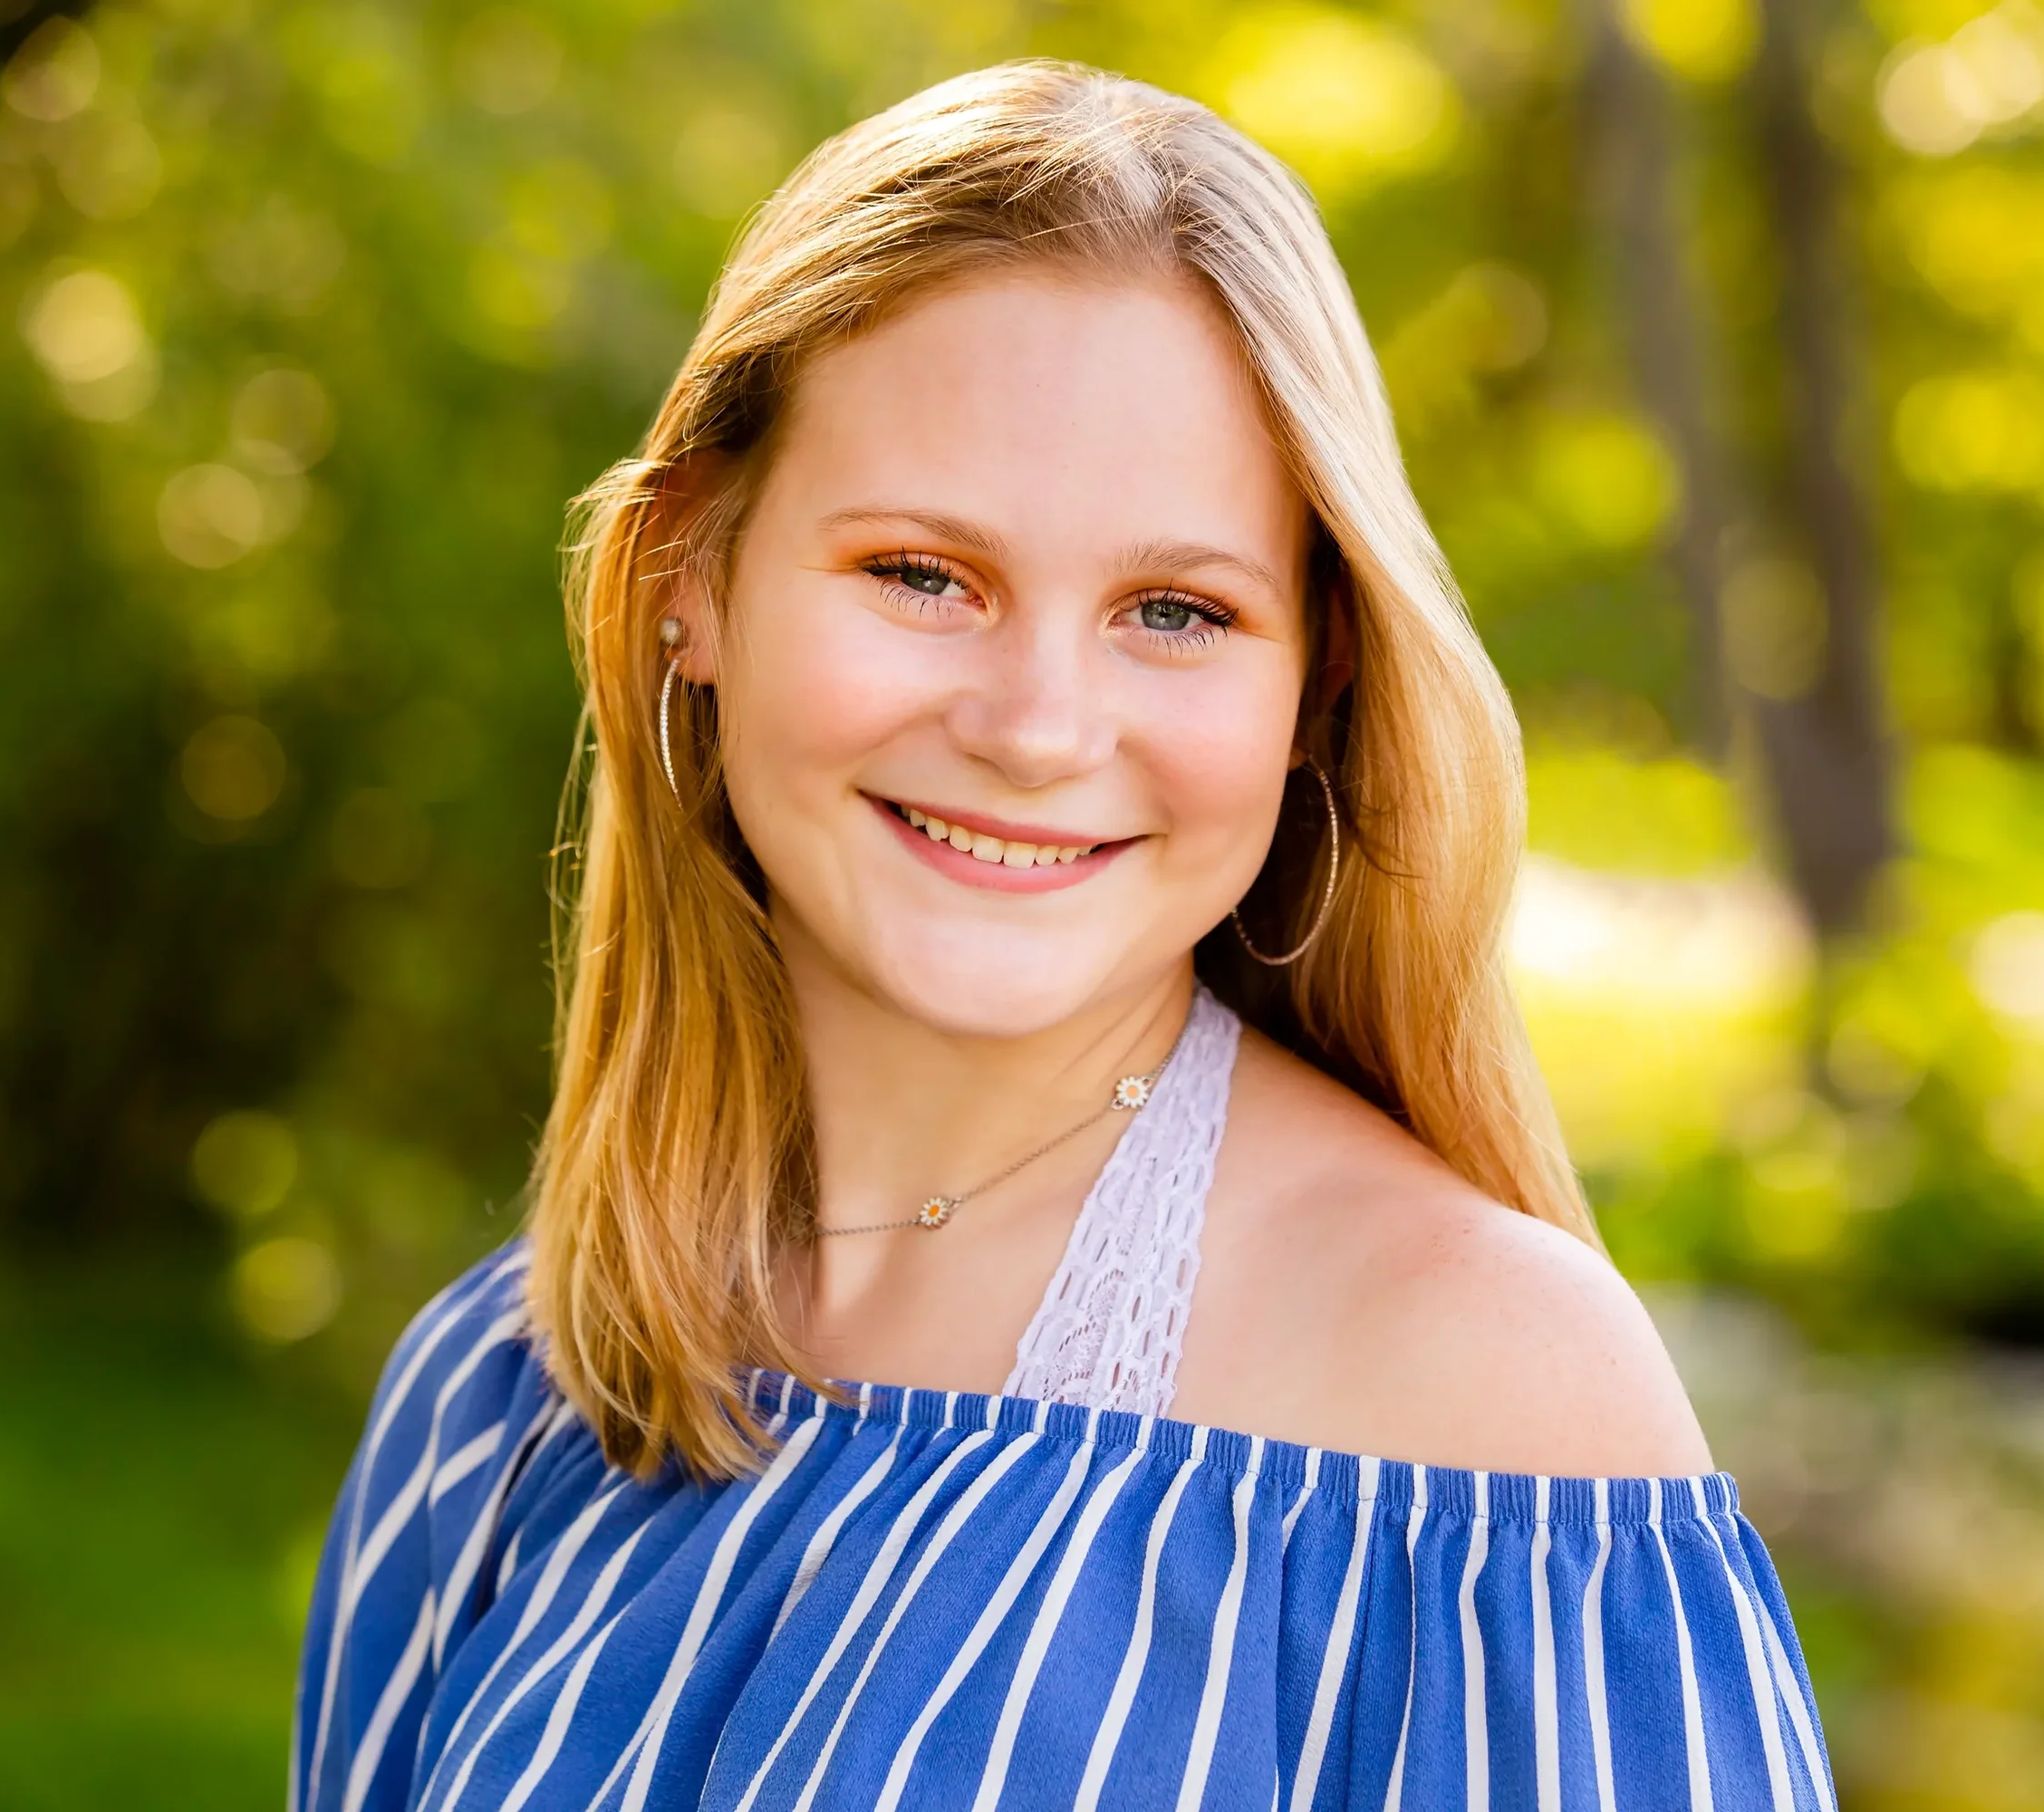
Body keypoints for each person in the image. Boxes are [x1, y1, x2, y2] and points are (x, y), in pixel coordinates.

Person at [292, 60, 1836, 1812]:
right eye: (921, 573)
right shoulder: (502, 1392)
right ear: (690, 580)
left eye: (1175, 611)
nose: (1037, 725)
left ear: (1316, 686)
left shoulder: (1486, 1408)